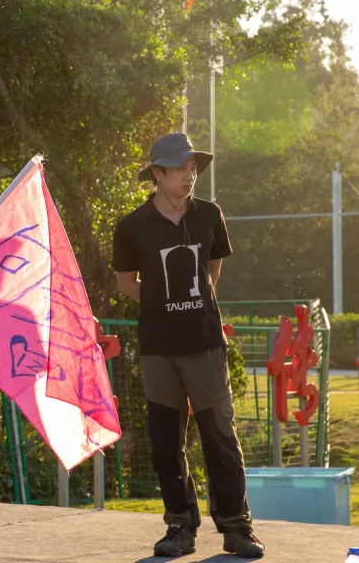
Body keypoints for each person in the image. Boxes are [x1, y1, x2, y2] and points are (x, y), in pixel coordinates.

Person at [111, 133, 265, 559]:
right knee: (165, 443)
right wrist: (163, 301)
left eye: (192, 167)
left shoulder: (209, 215)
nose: (189, 175)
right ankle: (179, 527)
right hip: (158, 349)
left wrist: (188, 302)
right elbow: (126, 283)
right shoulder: (131, 226)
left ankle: (236, 527)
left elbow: (211, 271)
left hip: (205, 344)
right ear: (157, 174)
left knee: (220, 437)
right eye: (180, 168)